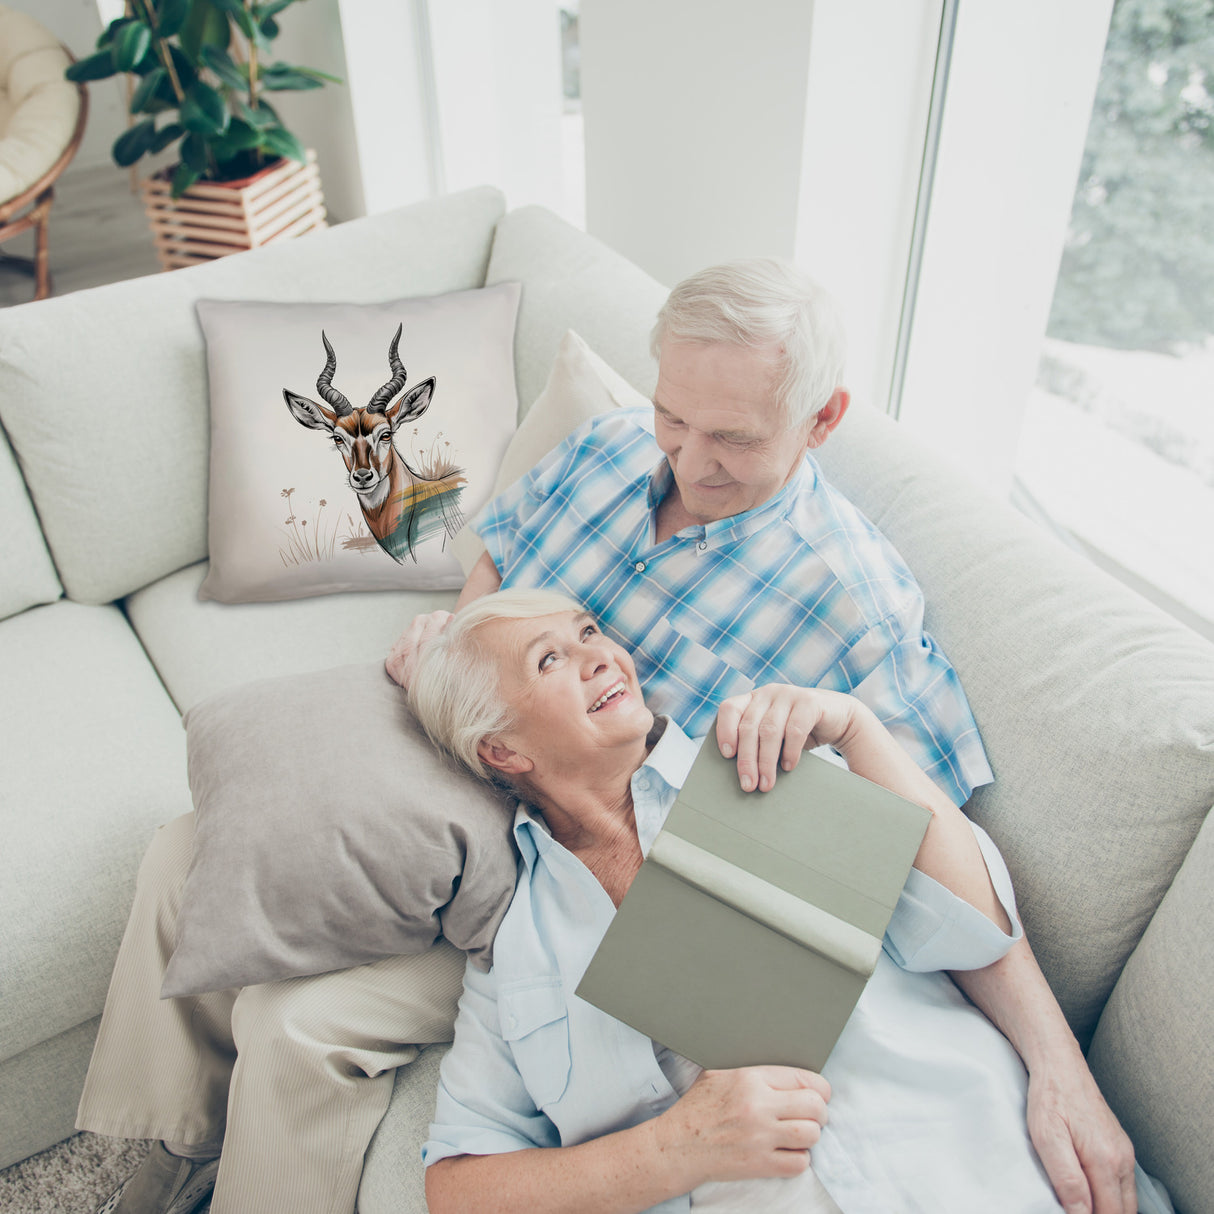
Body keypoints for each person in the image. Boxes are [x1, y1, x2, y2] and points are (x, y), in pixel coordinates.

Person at [79, 260, 1131, 1214]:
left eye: (732, 438)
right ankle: (159, 1150)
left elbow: (927, 856)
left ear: (820, 420)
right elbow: (499, 560)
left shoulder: (853, 607)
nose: (687, 457)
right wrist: (458, 643)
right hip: (487, 746)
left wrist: (1057, 1063)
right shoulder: (609, 446)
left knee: (300, 1024)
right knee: (192, 846)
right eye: (674, 415)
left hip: (577, 853)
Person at [407, 589, 1161, 1214]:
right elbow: (458, 1187)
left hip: (986, 1167)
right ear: (502, 750)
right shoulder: (516, 952)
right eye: (550, 659)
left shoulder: (762, 762)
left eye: (589, 632)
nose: (601, 655)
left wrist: (859, 731)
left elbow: (973, 929)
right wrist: (673, 1150)